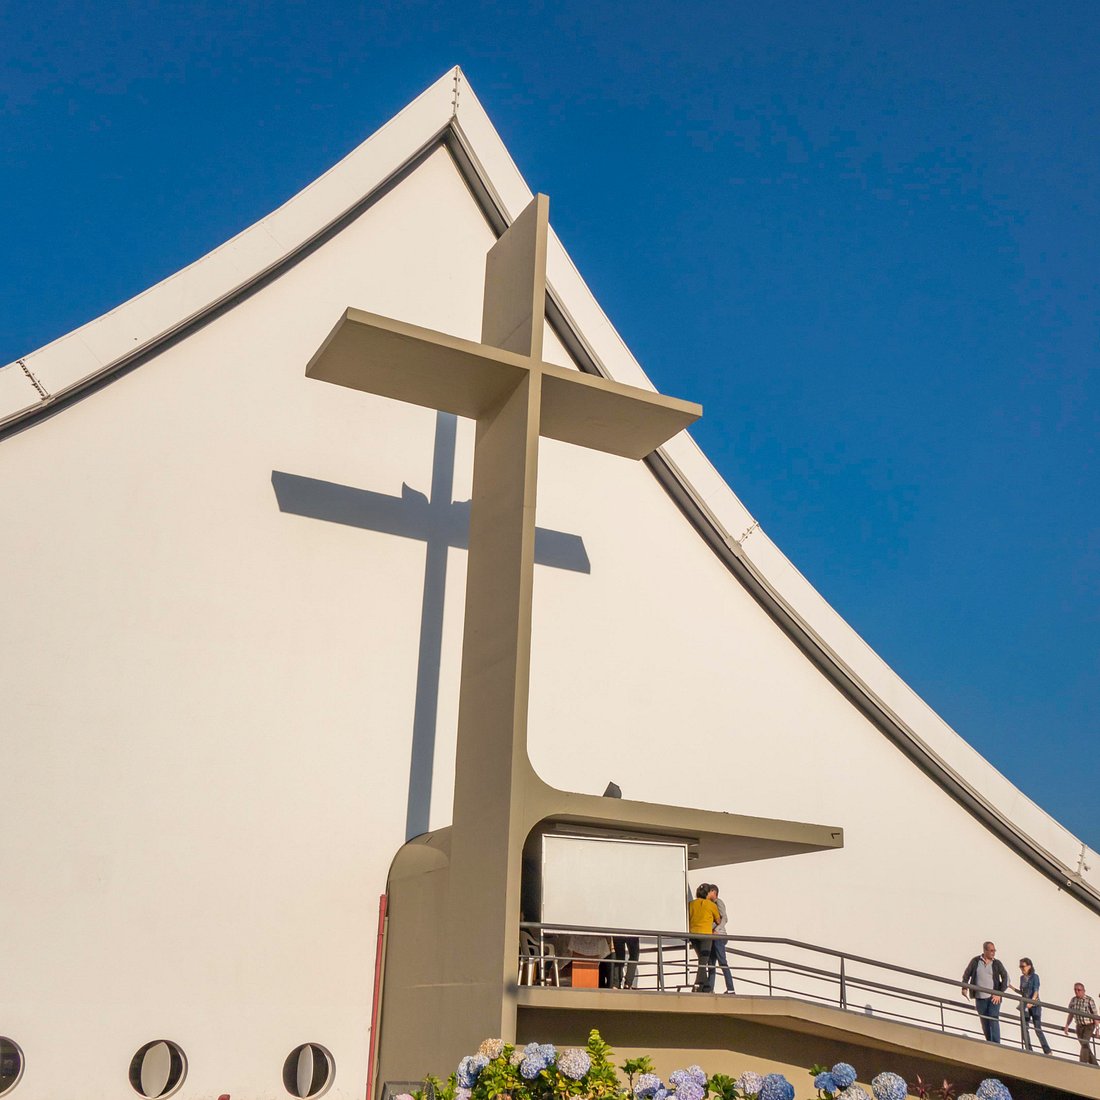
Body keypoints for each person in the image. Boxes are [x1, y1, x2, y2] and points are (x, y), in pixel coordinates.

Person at [961, 941, 1008, 1043]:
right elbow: (967, 974)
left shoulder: (997, 963)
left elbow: (1006, 978)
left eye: (994, 950)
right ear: (985, 950)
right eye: (991, 950)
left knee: (993, 1018)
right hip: (980, 997)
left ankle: (996, 1044)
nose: (993, 953)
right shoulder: (976, 961)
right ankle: (989, 1042)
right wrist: (964, 987)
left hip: (993, 998)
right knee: (984, 1021)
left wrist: (999, 993)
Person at [1008, 957, 1051, 1055]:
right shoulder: (1022, 978)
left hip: (1035, 1005)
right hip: (1025, 1006)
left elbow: (1036, 990)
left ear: (1029, 966)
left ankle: (1047, 1050)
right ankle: (1029, 1049)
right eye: (1020, 967)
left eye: (1023, 966)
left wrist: (1031, 1001)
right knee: (1024, 1027)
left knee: (1037, 1028)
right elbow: (1023, 993)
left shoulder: (1035, 977)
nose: (1021, 969)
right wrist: (1011, 987)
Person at [688, 882, 721, 993]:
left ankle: (706, 987)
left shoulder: (691, 904)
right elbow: (718, 920)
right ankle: (697, 985)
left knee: (702, 960)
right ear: (707, 893)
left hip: (693, 934)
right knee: (703, 961)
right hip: (706, 935)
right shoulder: (711, 905)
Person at [1064, 982, 1098, 1065]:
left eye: (1079, 990)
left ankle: (1082, 1064)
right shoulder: (1073, 1000)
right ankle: (1095, 1066)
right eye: (1075, 990)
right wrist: (1067, 1025)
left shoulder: (1089, 1000)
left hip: (1089, 1025)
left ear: (1083, 990)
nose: (1077, 992)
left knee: (1084, 1043)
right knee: (1085, 1046)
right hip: (1079, 1026)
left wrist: (1097, 1029)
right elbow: (1071, 1014)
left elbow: (1095, 1015)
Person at [709, 884, 736, 994]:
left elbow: (724, 917)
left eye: (709, 891)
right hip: (713, 936)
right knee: (711, 963)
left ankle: (730, 988)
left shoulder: (718, 902)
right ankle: (710, 988)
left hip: (719, 936)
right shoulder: (711, 904)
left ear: (714, 892)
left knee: (722, 962)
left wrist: (717, 929)